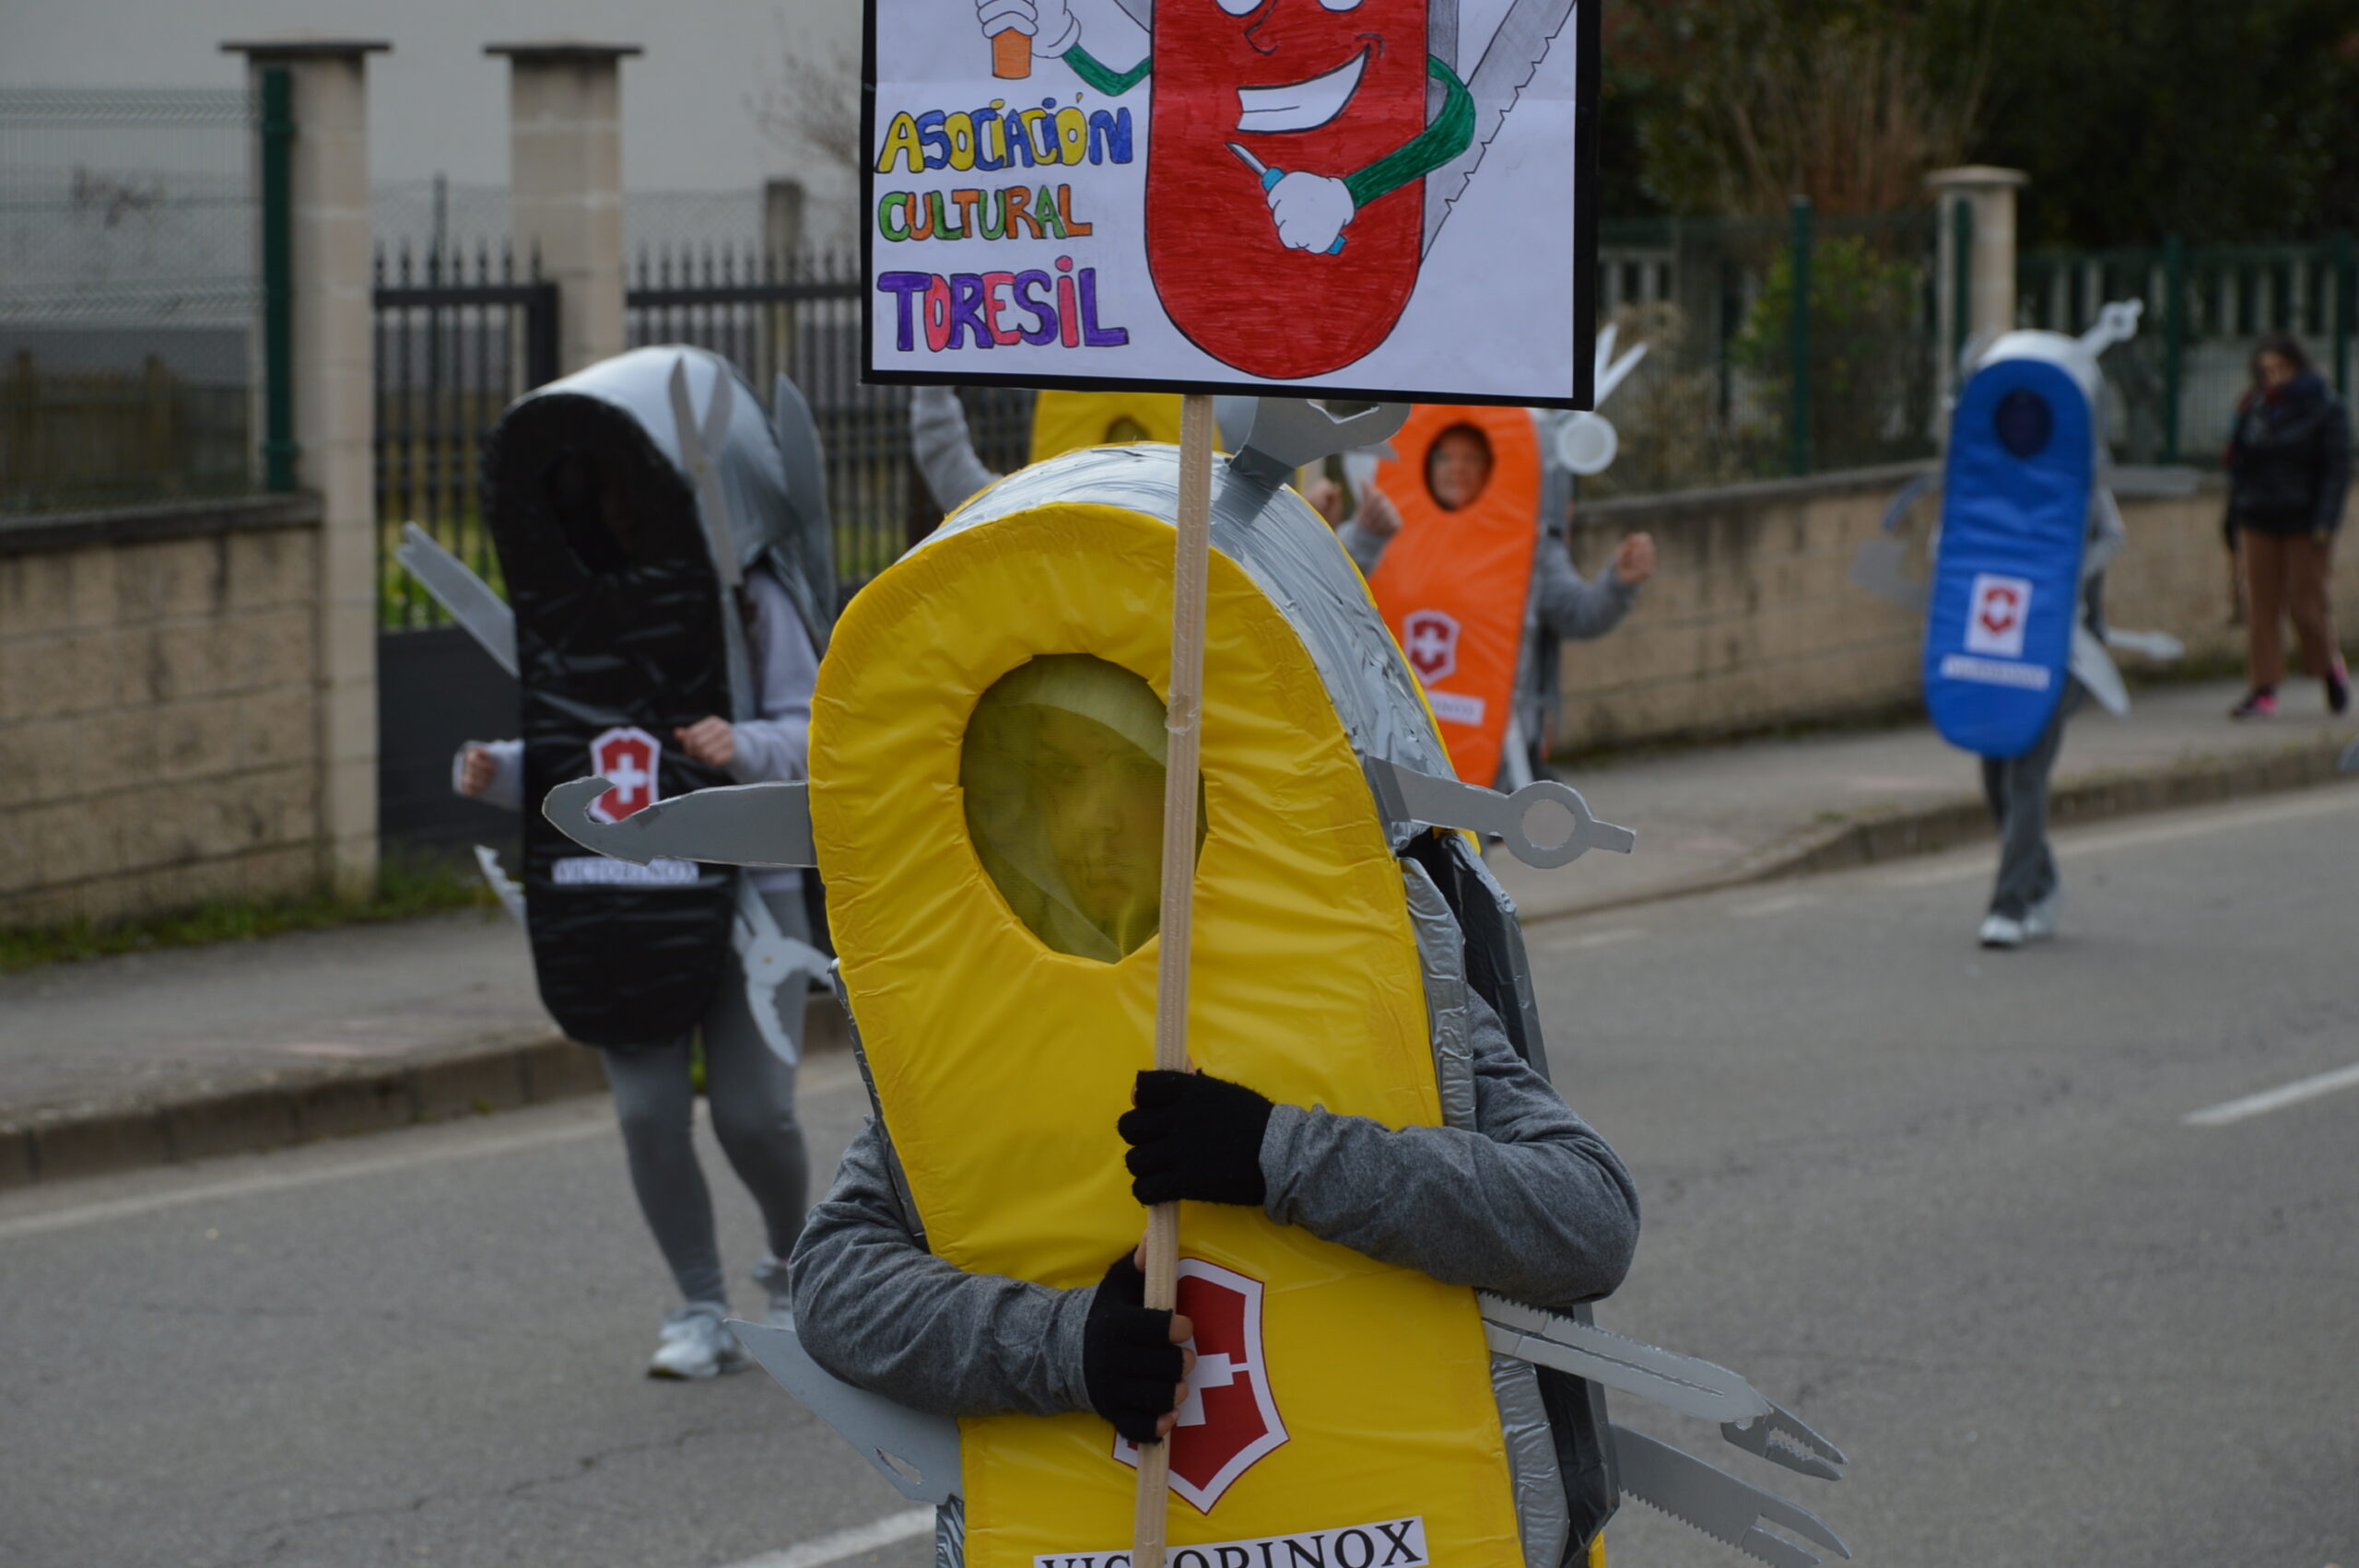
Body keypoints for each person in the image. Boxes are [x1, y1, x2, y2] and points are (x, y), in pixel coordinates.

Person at [790, 651, 1639, 1513]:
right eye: (1053, 773)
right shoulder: (995, 1012)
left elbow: (1587, 1219)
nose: (1092, 821)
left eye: (1131, 768)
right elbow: (833, 1285)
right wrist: (1070, 1345)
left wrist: (1276, 1153)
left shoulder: (1358, 972)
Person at [456, 457, 824, 1382]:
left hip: (751, 891)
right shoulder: (583, 600)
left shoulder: (755, 598)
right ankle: (699, 1304)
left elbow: (821, 726)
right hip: (620, 891)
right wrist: (502, 770)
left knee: (755, 1117)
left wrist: (745, 745)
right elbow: (581, 736)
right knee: (648, 1111)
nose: (623, 508)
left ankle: (792, 1269)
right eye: (610, 488)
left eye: (640, 488)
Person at [1337, 421, 1657, 784]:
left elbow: (1577, 613)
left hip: (1491, 749)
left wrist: (1618, 583)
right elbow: (1330, 590)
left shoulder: (1529, 548)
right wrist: (1364, 535)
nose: (1456, 468)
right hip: (1390, 739)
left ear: (1492, 467)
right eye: (1445, 457)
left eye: (1471, 458)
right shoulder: (1378, 525)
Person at [2224, 333, 2351, 719]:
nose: (2274, 376)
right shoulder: (2256, 407)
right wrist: (2234, 513)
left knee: (2306, 603)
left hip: (2305, 520)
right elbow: (2240, 465)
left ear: (2298, 366)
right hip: (2258, 515)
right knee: (2260, 605)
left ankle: (2327, 666)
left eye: (2281, 368)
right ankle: (2265, 686)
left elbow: (2336, 470)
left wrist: (2326, 521)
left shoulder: (2325, 408)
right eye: (2266, 370)